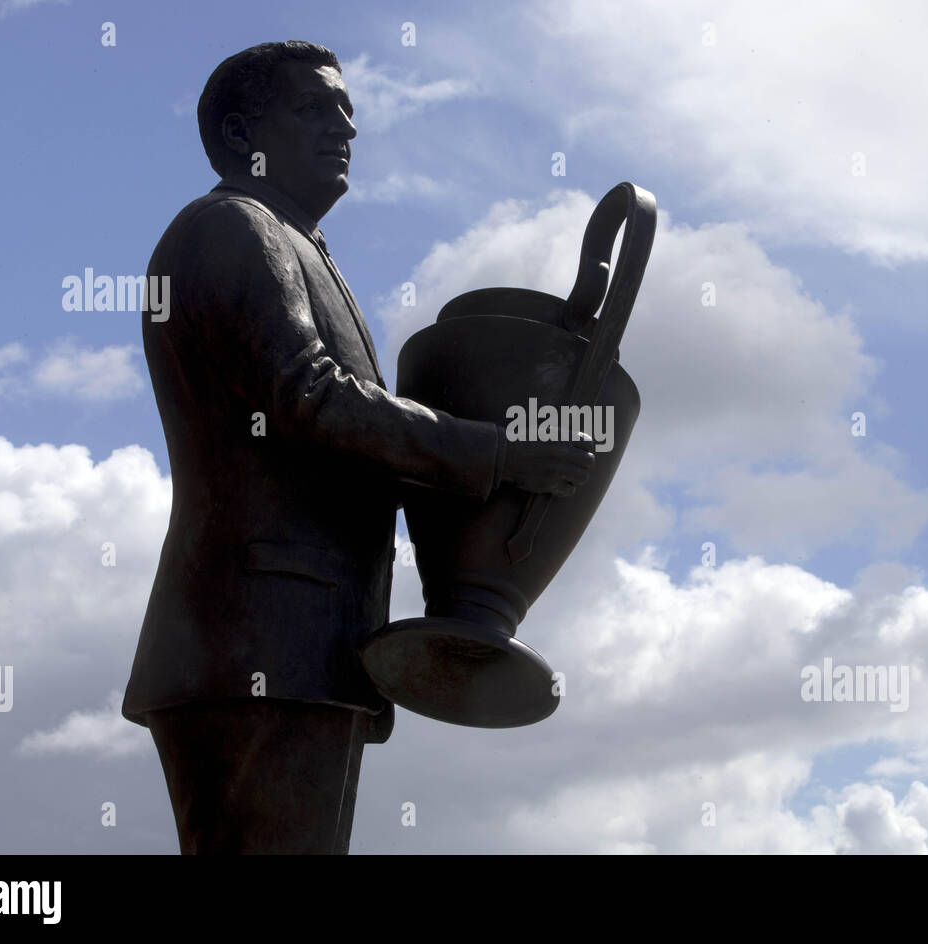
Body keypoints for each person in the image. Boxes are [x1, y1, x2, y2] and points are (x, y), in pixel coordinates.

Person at [120, 40, 594, 854]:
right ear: (241, 135)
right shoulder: (231, 228)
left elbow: (341, 429)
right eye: (314, 108)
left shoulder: (297, 246)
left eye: (348, 113)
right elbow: (310, 397)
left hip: (302, 643)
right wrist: (494, 456)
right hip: (256, 640)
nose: (344, 128)